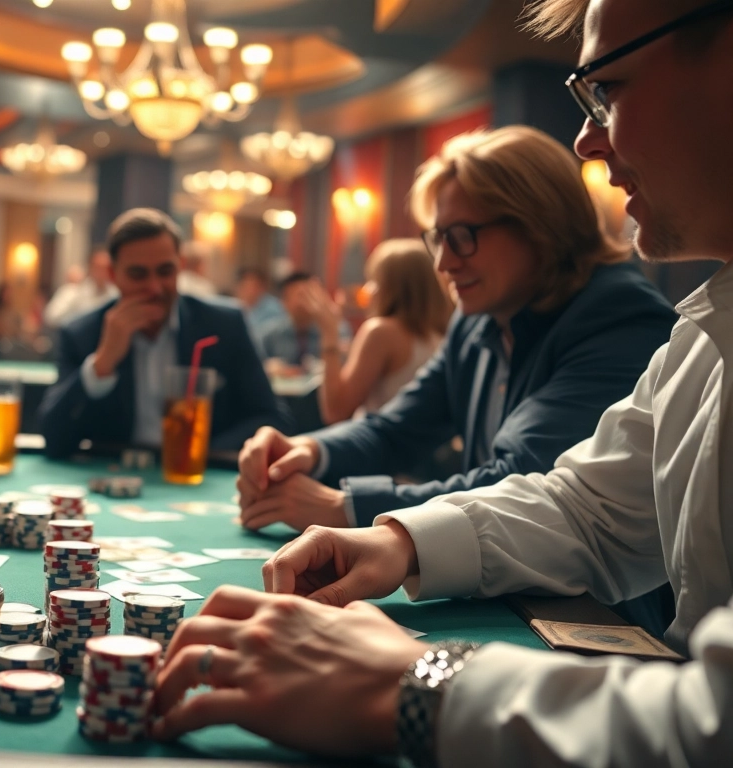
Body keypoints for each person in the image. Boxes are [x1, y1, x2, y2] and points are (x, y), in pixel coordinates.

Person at [154, 3, 733, 764]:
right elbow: (587, 507)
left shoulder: (619, 314)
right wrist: (389, 535)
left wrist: (418, 681)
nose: (588, 141)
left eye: (610, 89)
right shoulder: (702, 330)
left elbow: (710, 725)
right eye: (439, 239)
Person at [234, 125, 675, 535]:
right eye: (439, 238)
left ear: (540, 225)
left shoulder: (619, 317)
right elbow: (395, 430)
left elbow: (522, 481)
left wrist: (345, 508)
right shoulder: (477, 319)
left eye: (462, 235)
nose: (444, 263)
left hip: (595, 614)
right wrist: (307, 450)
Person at [38, 208, 290, 457]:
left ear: (180, 266)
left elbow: (271, 418)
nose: (154, 287)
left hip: (199, 479)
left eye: (165, 272)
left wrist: (198, 450)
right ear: (114, 275)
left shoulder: (225, 324)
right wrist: (102, 363)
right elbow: (53, 439)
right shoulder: (82, 333)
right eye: (138, 274)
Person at [307, 239, 452, 423]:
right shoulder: (440, 334)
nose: (368, 290)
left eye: (373, 280)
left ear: (392, 287)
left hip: (378, 446)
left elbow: (335, 411)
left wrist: (329, 333)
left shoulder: (380, 332)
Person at [258, 272, 352, 376]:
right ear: (284, 302)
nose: (304, 302)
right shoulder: (268, 333)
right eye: (299, 295)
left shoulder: (337, 329)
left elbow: (347, 366)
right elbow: (255, 366)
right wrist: (269, 368)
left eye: (310, 295)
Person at [43, 247, 118, 329]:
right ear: (90, 267)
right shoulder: (73, 291)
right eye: (99, 268)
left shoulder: (115, 294)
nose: (103, 272)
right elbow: (51, 317)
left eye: (107, 268)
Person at [233, 266, 282, 347]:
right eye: (245, 285)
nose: (249, 289)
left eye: (253, 285)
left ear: (262, 287)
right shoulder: (235, 306)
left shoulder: (274, 308)